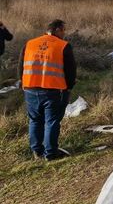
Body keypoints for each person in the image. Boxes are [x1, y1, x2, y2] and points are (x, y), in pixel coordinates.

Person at [18, 19, 76, 161]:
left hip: (30, 88)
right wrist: (69, 88)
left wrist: (24, 82)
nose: (64, 34)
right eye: (63, 30)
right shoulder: (63, 46)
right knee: (52, 121)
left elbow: (21, 67)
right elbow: (70, 71)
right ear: (57, 30)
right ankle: (50, 153)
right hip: (53, 90)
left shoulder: (29, 44)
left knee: (35, 120)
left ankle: (37, 152)